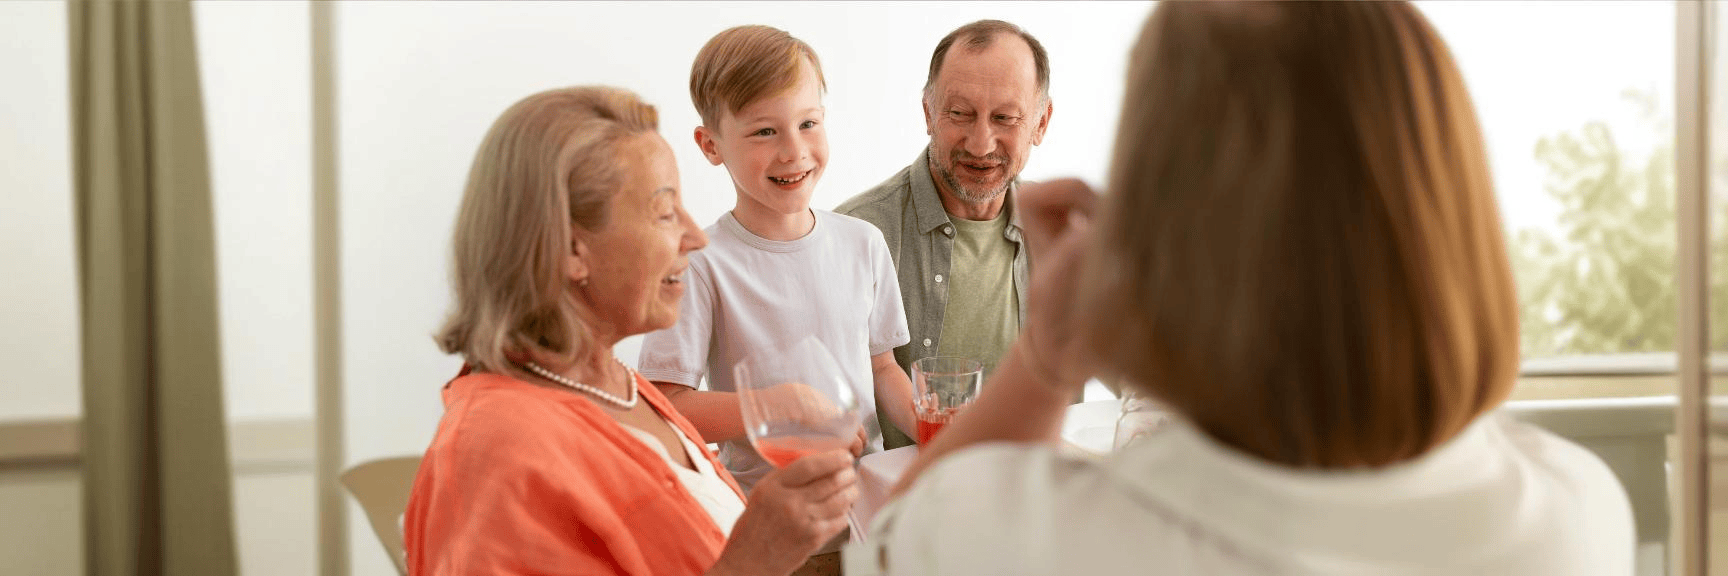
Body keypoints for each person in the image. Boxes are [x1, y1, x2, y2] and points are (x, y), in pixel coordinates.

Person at [850, 3, 1635, 575]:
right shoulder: (1581, 510)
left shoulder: (1047, 539)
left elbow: (898, 540)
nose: (982, 141)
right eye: (960, 113)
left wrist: (1049, 356)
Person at [403, 86, 859, 576]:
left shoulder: (619, 386)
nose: (696, 236)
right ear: (571, 249)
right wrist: (753, 562)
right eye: (665, 212)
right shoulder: (495, 450)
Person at [638, 26, 915, 494]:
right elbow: (665, 407)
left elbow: (882, 367)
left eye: (808, 124)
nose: (793, 151)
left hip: (867, 498)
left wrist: (935, 431)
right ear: (711, 145)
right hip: (769, 512)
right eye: (765, 131)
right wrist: (777, 407)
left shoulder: (863, 242)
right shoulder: (700, 264)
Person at [835, 19, 1054, 448]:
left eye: (1005, 118)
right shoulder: (854, 234)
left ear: (1041, 124)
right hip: (905, 504)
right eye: (960, 113)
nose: (979, 143)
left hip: (1040, 499)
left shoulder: (1069, 241)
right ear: (928, 114)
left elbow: (1148, 377)